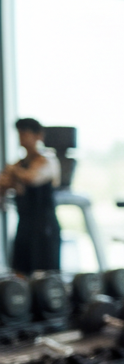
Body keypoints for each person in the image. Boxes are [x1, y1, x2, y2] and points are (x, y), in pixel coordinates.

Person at [0, 118, 62, 275]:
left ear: (38, 136)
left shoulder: (48, 161)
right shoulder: (18, 165)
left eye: (25, 133)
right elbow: (3, 182)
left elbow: (32, 178)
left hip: (44, 228)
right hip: (24, 226)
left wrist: (13, 175)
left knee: (43, 277)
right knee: (19, 273)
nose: (22, 138)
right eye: (20, 134)